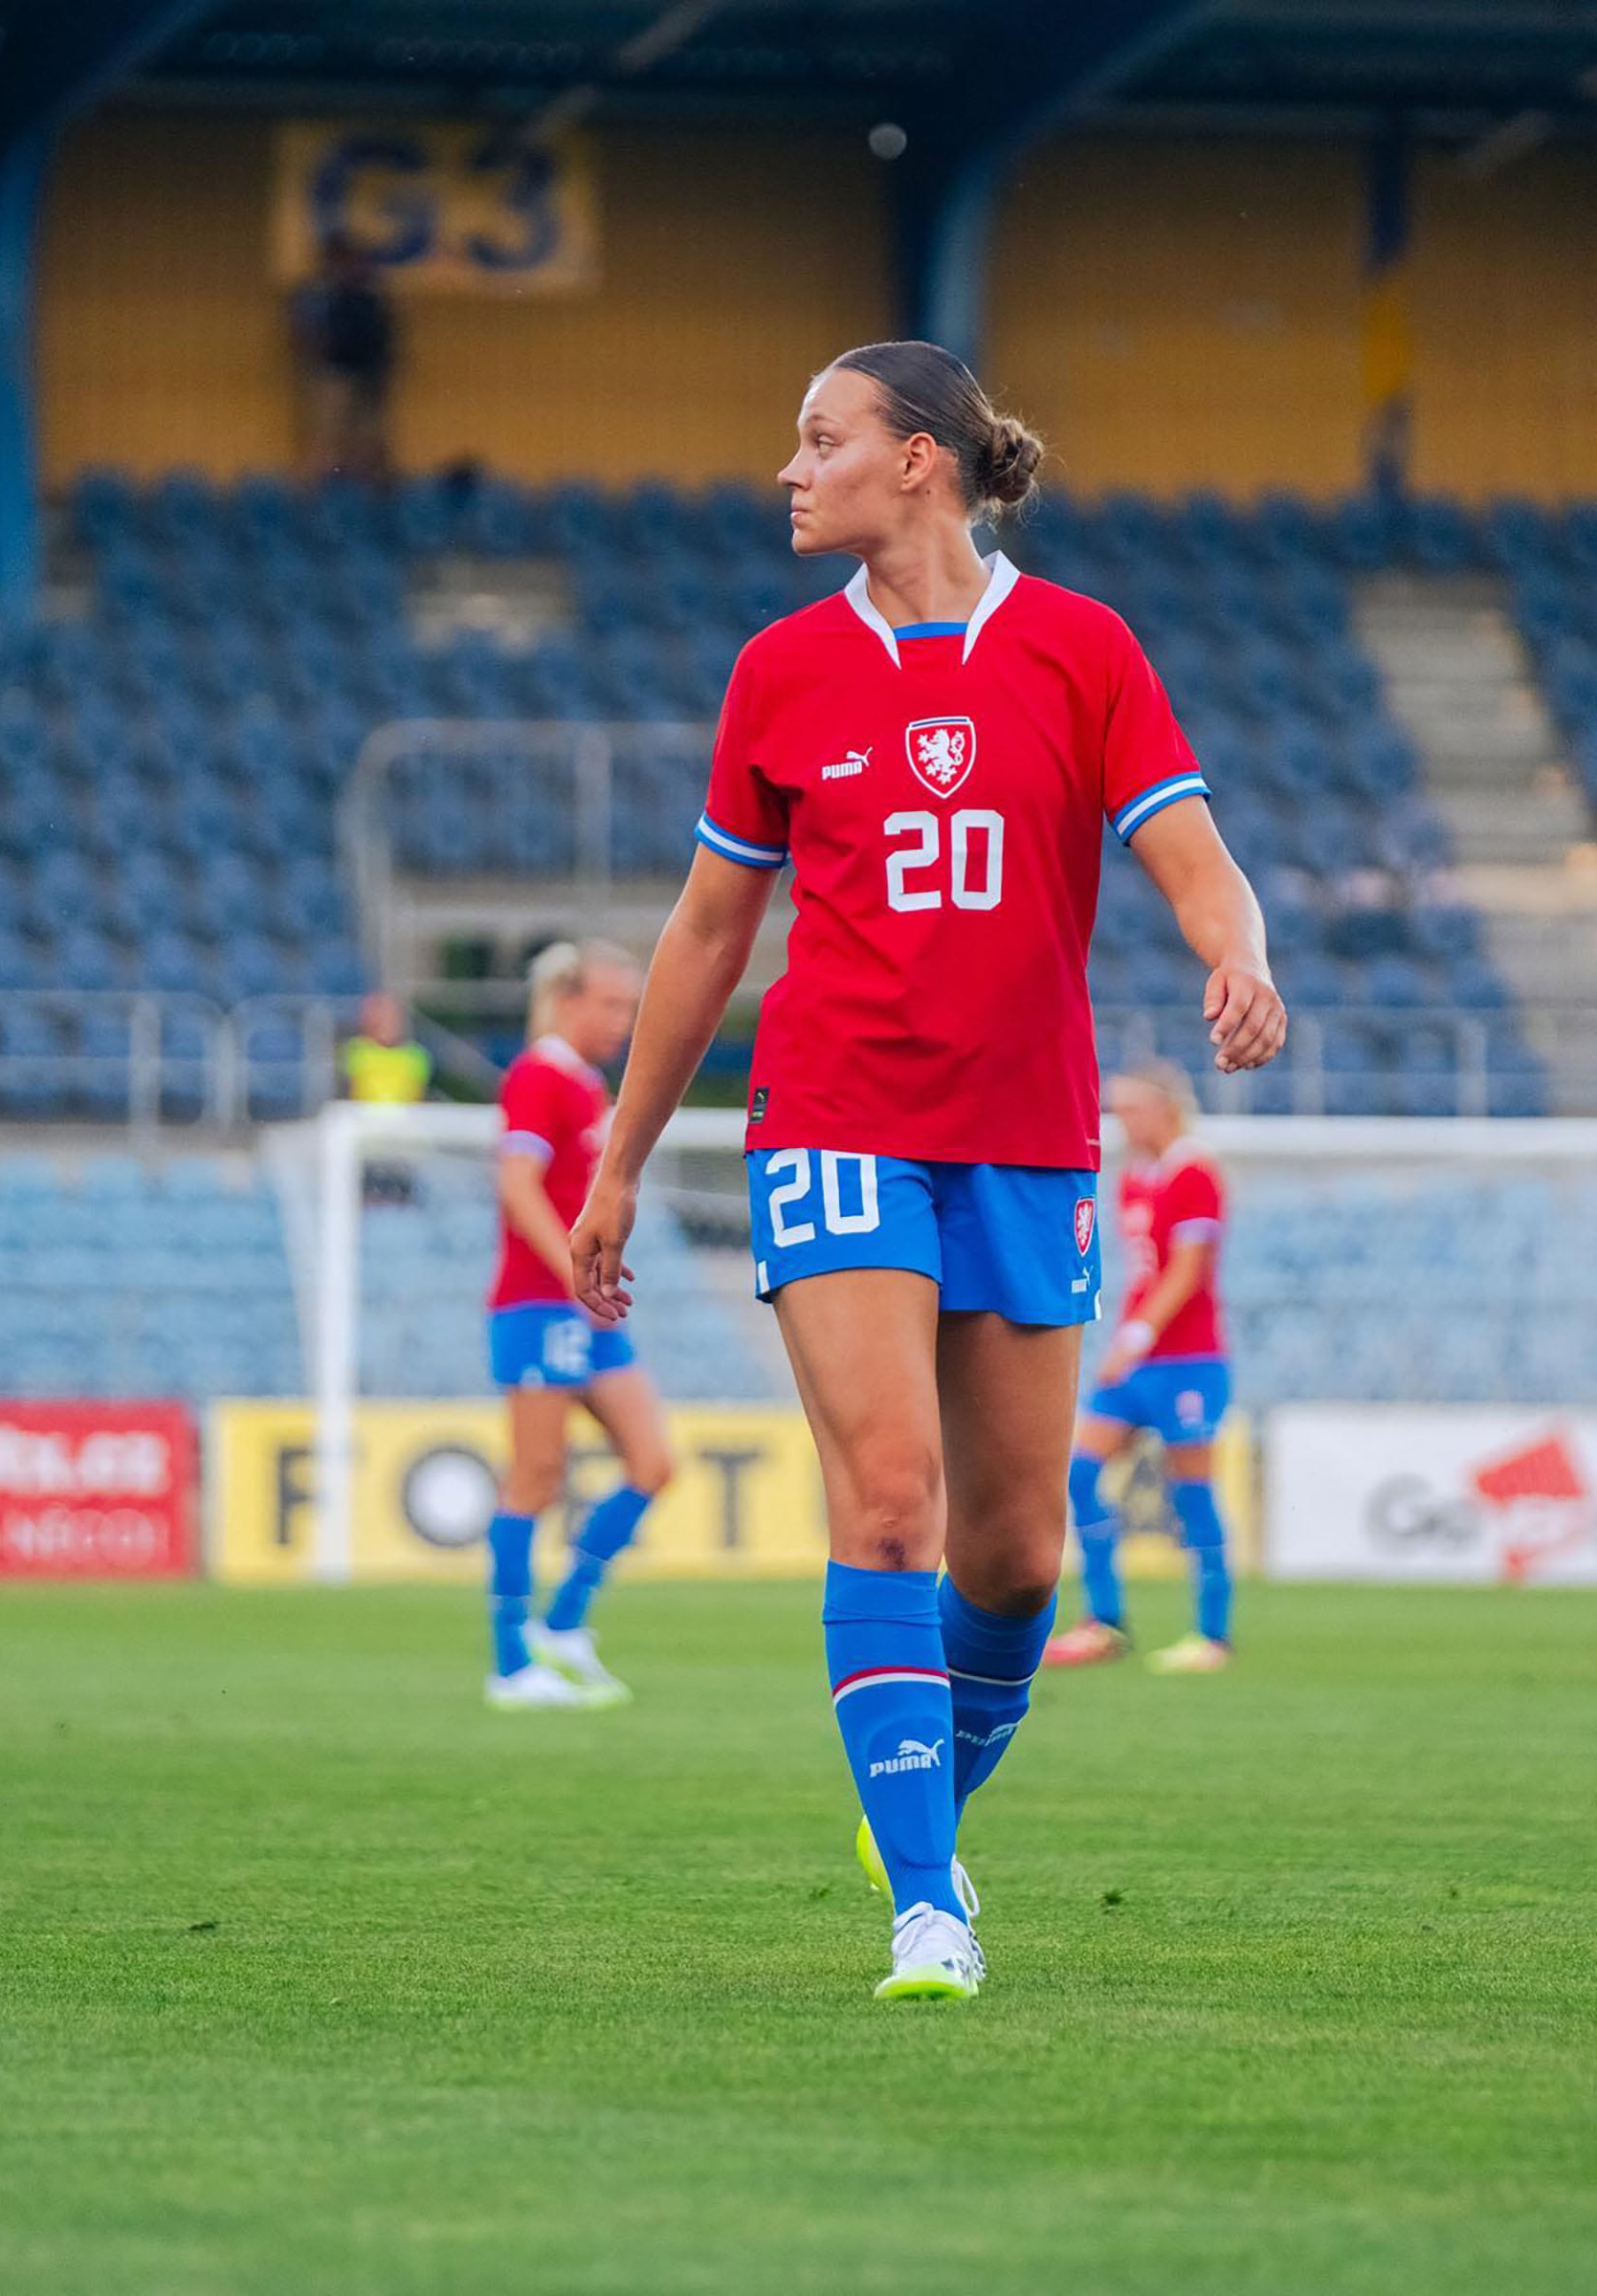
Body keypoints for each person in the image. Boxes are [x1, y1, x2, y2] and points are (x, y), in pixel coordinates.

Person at [569, 341, 1285, 2002]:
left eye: (820, 440)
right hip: (834, 1123)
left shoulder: (1083, 650)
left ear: (923, 464)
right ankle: (925, 1908)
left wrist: (1238, 953)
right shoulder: (780, 673)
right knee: (893, 1498)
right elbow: (704, 937)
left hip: (1029, 1142)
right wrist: (621, 1161)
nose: (789, 469)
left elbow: (1198, 860)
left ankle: (924, 1824)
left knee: (1020, 1554)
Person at [484, 939, 676, 1711]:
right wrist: (570, 1264)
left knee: (652, 1460)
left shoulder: (584, 1083)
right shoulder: (538, 1074)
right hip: (538, 1301)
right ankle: (508, 1665)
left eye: (630, 1006)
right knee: (535, 1476)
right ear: (565, 1000)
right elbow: (514, 1180)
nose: (624, 1020)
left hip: (583, 1308)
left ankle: (562, 1624)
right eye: (610, 1003)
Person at [1049, 1063, 1236, 1674]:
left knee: (1193, 1491)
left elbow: (1188, 1270)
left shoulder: (1195, 1172)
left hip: (1187, 1362)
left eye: (1131, 1108)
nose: (1121, 1121)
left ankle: (1212, 1634)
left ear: (1167, 1110)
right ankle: (1104, 1622)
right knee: (1078, 1474)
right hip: (1139, 1361)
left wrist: (1135, 1335)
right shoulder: (1134, 1178)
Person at [291, 233, 398, 486]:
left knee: (368, 439)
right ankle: (319, 493)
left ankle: (366, 492)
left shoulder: (369, 296)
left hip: (368, 376)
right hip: (333, 374)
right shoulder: (317, 294)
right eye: (344, 261)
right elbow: (306, 335)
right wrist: (320, 354)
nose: (351, 267)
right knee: (327, 436)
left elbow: (384, 336)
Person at [339, 992, 432, 1106]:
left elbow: (417, 1099)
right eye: (381, 1018)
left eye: (391, 1019)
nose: (387, 1025)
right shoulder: (356, 1051)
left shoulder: (416, 1056)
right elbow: (353, 1093)